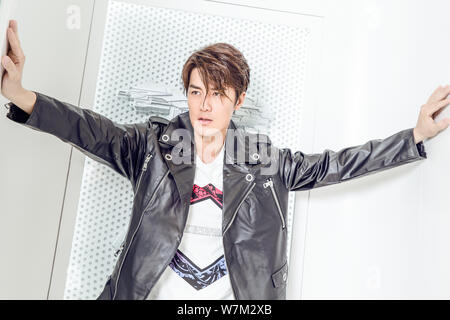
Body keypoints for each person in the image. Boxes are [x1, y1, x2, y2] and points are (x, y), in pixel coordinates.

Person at [2, 19, 449, 300]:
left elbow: (336, 164)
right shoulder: (152, 147)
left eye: (217, 94)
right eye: (196, 91)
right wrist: (20, 94)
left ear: (238, 100)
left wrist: (414, 136)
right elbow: (87, 129)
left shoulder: (264, 162)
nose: (204, 104)